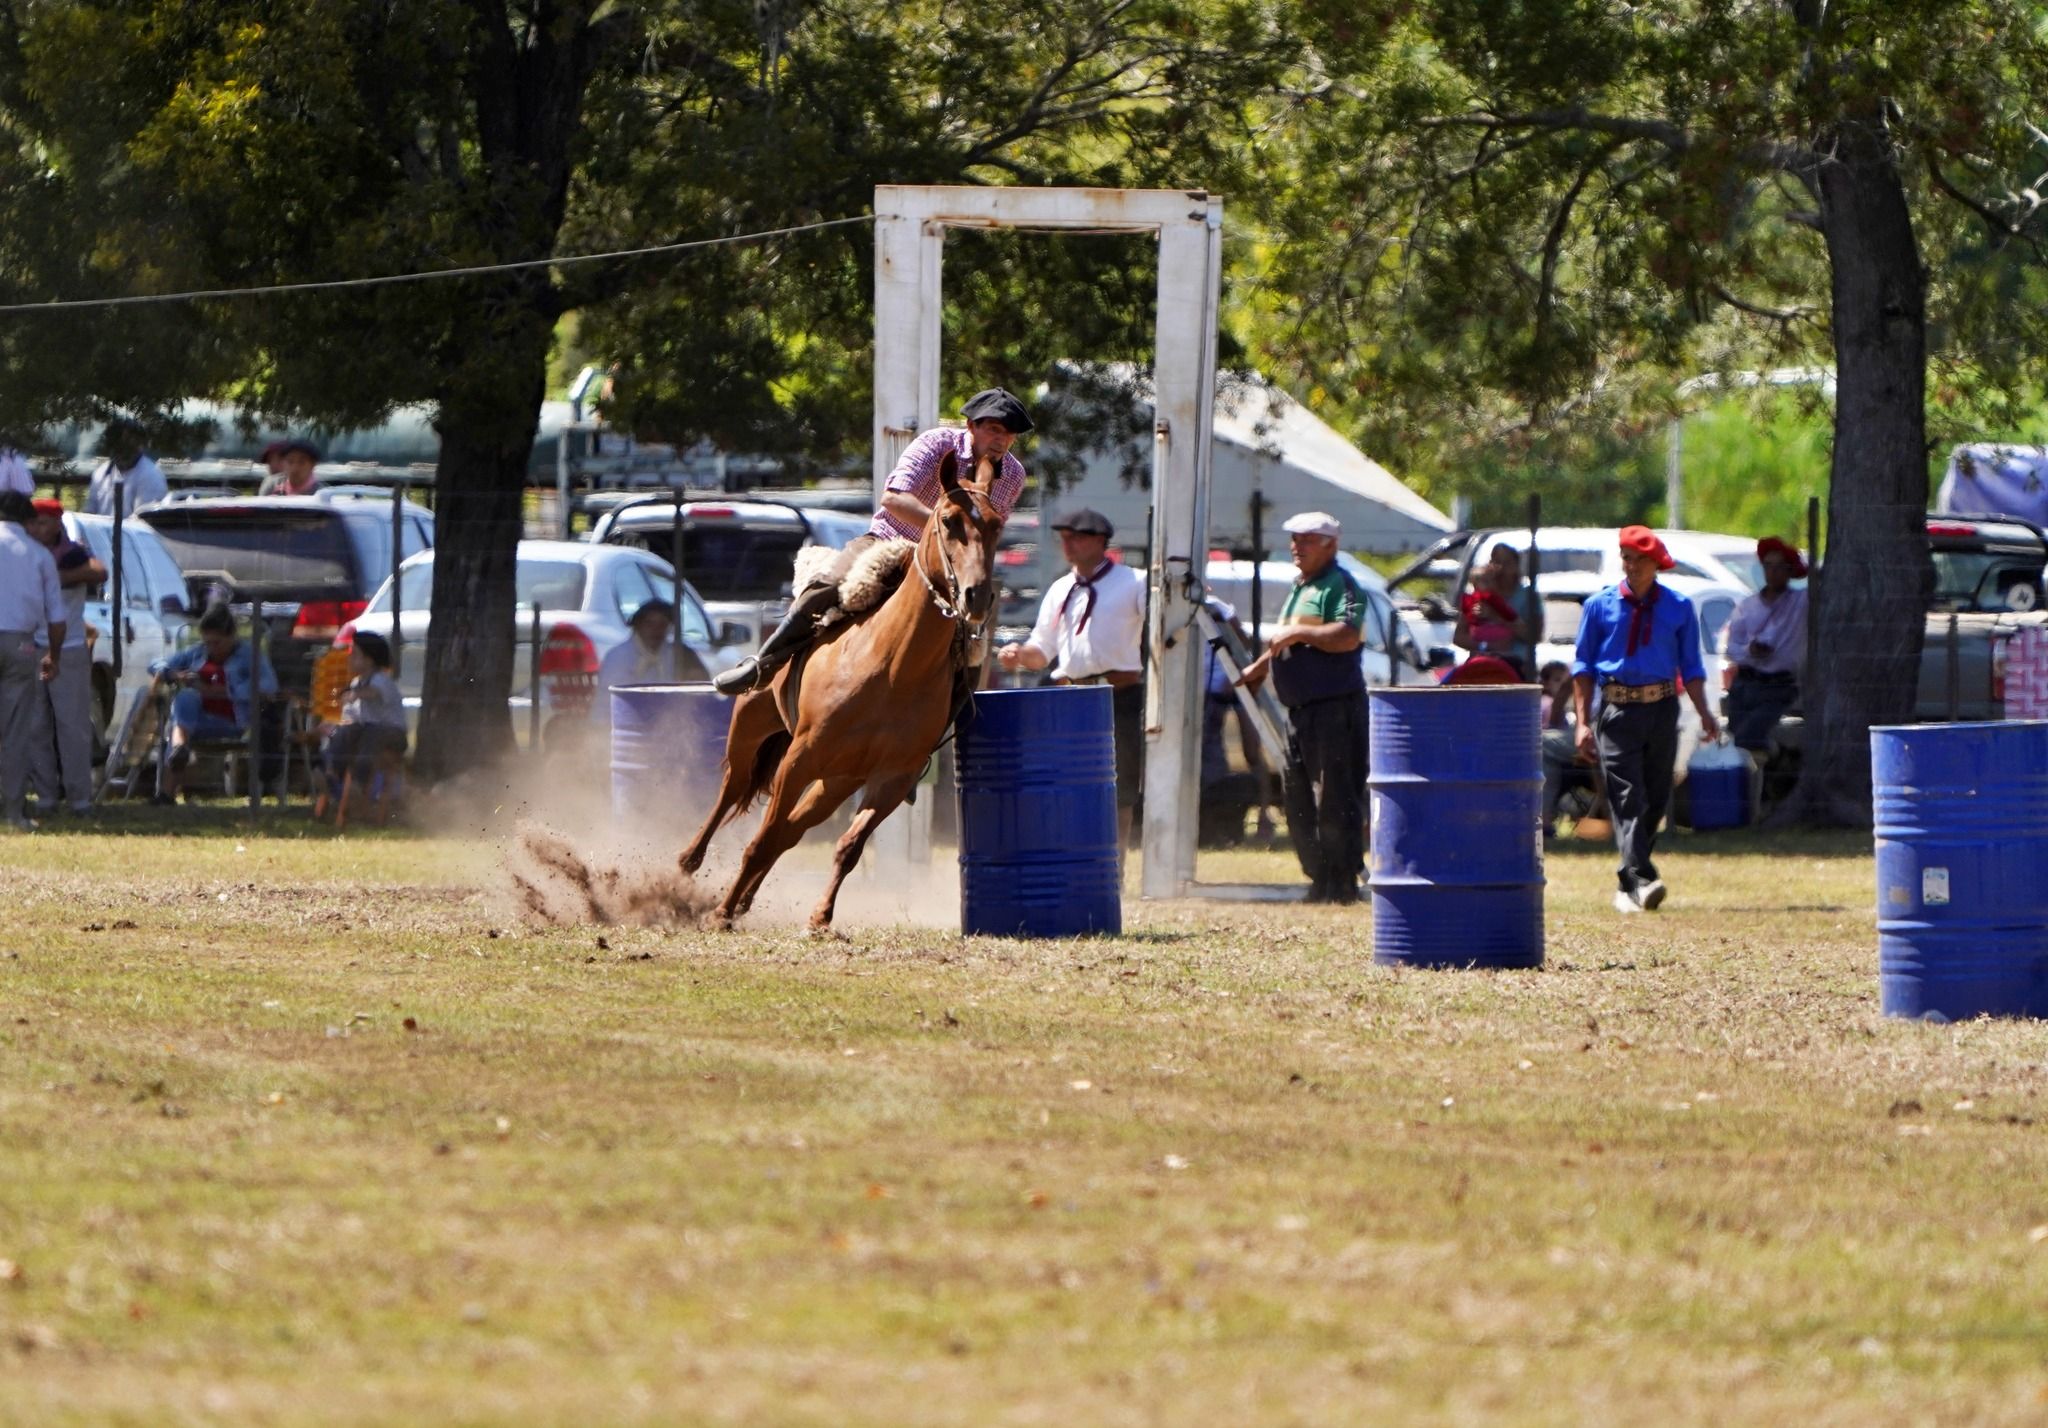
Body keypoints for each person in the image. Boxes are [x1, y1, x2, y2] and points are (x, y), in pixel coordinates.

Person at [713, 388, 1032, 696]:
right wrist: (943, 530)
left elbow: (989, 532)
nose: (1001, 440)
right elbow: (893, 499)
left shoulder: (1014, 476)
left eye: (1009, 433)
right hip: (889, 543)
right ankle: (763, 665)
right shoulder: (936, 444)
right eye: (993, 429)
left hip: (946, 568)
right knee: (831, 583)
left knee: (975, 630)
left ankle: (963, 715)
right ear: (971, 426)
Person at [1570, 525, 1722, 913]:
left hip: (1661, 707)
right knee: (1627, 795)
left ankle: (1628, 882)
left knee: (1655, 797)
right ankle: (1643, 877)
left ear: (1657, 564)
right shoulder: (1599, 607)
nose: (1632, 567)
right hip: (1617, 709)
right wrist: (1583, 722)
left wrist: (1705, 713)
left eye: (1641, 560)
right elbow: (1584, 667)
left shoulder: (1678, 607)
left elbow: (1690, 666)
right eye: (1627, 558)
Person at [1236, 511, 1369, 905]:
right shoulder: (1302, 587)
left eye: (1308, 539)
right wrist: (1259, 669)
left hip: (1335, 710)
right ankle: (1318, 877)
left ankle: (1342, 881)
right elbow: (1284, 643)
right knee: (1297, 799)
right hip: (1300, 712)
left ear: (1331, 544)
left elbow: (1347, 636)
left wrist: (1299, 631)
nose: (1297, 546)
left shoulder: (1340, 585)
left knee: (1335, 799)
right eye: (1295, 539)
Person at [996, 508, 1147, 847]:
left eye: (1076, 537)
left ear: (1099, 541)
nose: (1068, 544)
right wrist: (1019, 655)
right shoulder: (1061, 589)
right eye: (1064, 538)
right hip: (1071, 695)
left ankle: (1114, 861)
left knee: (1119, 784)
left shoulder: (1133, 582)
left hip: (1117, 694)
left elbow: (1160, 623)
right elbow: (1042, 650)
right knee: (1067, 778)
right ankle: (1073, 847)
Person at [147, 604, 280, 805]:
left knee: (179, 720)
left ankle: (168, 784)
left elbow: (269, 685)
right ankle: (179, 748)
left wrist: (226, 691)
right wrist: (174, 674)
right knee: (188, 697)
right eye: (207, 642)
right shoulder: (197, 653)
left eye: (217, 643)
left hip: (230, 722)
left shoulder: (248, 656)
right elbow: (155, 664)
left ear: (231, 636)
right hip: (196, 720)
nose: (211, 648)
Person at [26, 499, 106, 817]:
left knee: (72, 726)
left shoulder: (73, 553)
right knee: (35, 726)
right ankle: (45, 796)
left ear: (57, 522)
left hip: (69, 648)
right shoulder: (24, 554)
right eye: (32, 522)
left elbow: (100, 571)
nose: (36, 528)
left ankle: (79, 798)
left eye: (42, 522)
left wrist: (57, 578)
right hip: (30, 647)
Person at [0, 491, 67, 830]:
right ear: (28, 521)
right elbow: (57, 617)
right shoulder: (39, 555)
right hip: (19, 643)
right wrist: (52, 655)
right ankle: (12, 812)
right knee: (14, 728)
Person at [1721, 536, 1807, 752]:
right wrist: (1749, 651)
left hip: (1778, 687)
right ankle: (1750, 782)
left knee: (1748, 739)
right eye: (1768, 566)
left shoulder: (1800, 603)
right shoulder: (1747, 607)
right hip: (1745, 684)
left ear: (1789, 571)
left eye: (1780, 567)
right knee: (1736, 743)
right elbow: (1731, 648)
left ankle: (1770, 767)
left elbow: (1821, 579)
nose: (1773, 572)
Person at [315, 631, 406, 812]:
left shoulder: (381, 680)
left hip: (392, 735)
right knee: (347, 731)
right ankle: (331, 773)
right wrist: (334, 728)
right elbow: (351, 718)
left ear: (369, 660)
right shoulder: (356, 682)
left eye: (355, 653)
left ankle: (359, 784)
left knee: (372, 732)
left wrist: (356, 695)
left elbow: (374, 693)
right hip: (366, 735)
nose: (349, 657)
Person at [592, 599, 703, 721]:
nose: (656, 630)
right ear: (638, 626)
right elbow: (618, 700)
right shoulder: (619, 657)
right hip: (615, 721)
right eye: (649, 624)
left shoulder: (675, 654)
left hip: (661, 723)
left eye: (662, 625)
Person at [1454, 543, 1538, 675]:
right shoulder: (1477, 596)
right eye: (1497, 562)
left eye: (1508, 563)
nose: (1502, 568)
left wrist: (1496, 617)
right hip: (1481, 667)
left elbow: (1534, 636)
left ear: (1516, 566)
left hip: (1517, 668)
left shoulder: (1528, 596)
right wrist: (1486, 646)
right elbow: (1458, 637)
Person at [1537, 659, 1592, 836]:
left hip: (1604, 737)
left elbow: (1554, 722)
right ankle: (1545, 822)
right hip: (1583, 741)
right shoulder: (1586, 666)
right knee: (1545, 756)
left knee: (1539, 744)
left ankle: (1544, 821)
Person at [85, 420, 168, 515]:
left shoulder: (151, 476)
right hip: (101, 529)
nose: (121, 448)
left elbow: (144, 522)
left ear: (139, 445)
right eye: (116, 442)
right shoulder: (100, 473)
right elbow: (89, 513)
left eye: (129, 442)